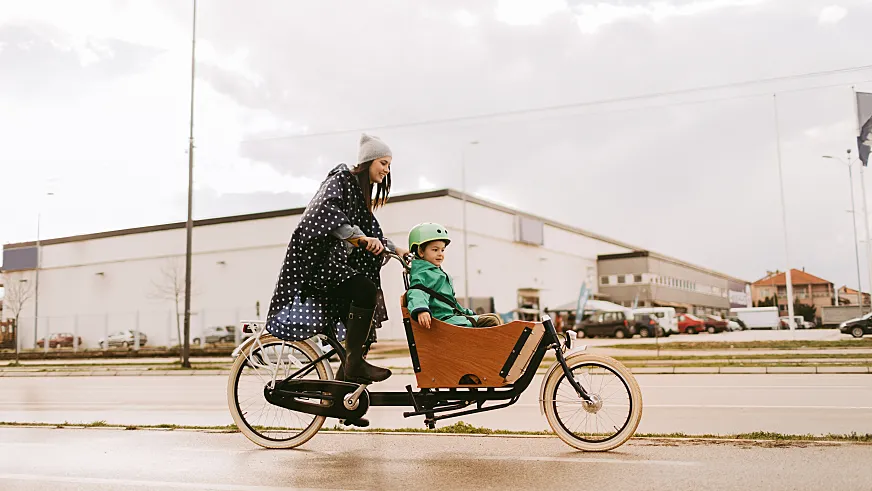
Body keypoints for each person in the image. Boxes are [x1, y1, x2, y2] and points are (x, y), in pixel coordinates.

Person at [265, 133, 409, 392]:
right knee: (364, 289)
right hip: (316, 263)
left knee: (359, 334)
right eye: (384, 163)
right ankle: (354, 365)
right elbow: (326, 213)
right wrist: (360, 239)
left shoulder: (358, 195)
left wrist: (397, 249)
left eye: (389, 165)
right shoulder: (341, 179)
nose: (387, 170)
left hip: (334, 266)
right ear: (369, 161)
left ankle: (341, 403)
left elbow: (369, 233)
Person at [405, 222, 502, 329]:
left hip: (451, 317)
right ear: (421, 251)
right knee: (491, 321)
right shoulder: (423, 274)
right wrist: (421, 310)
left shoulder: (436, 273)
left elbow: (450, 302)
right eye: (435, 250)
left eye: (442, 250)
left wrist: (466, 312)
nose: (440, 254)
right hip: (443, 321)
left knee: (493, 317)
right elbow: (417, 291)